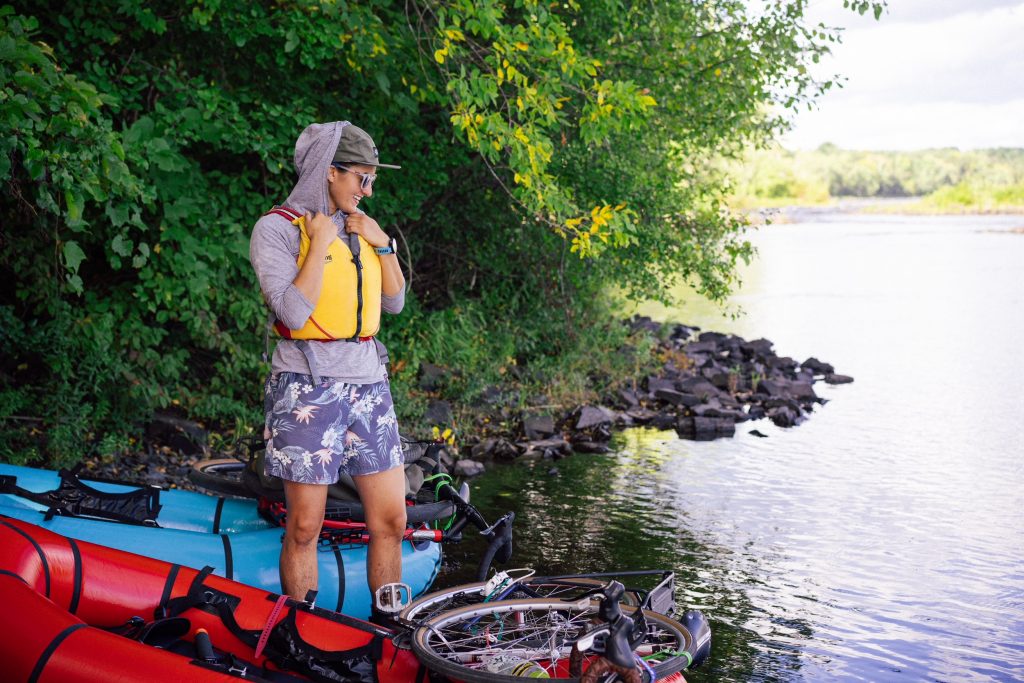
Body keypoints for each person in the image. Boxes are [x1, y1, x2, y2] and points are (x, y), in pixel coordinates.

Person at [249, 122, 408, 623]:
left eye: (371, 180)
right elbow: (292, 314)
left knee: (392, 518)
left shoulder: (363, 226)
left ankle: (389, 627)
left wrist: (382, 246)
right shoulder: (275, 230)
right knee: (304, 526)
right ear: (327, 171)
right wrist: (317, 244)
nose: (367, 190)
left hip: (369, 384)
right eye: (360, 178)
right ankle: (299, 629)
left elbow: (396, 302)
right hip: (306, 387)